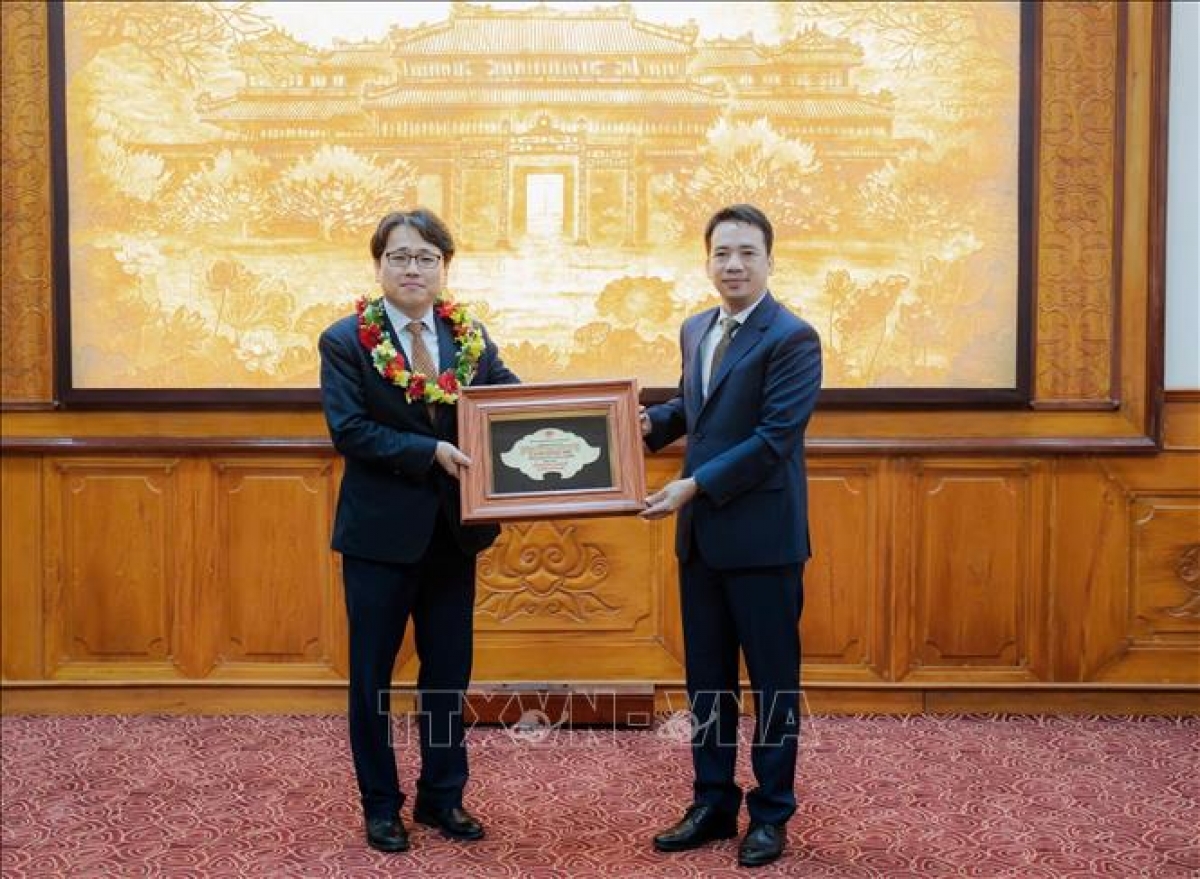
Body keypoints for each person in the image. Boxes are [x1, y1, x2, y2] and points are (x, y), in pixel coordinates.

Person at [318, 208, 519, 853]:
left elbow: (509, 403)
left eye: (426, 257)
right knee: (372, 677)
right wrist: (427, 451)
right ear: (379, 265)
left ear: (443, 267)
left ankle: (442, 797)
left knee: (448, 674)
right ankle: (381, 805)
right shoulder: (346, 340)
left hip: (453, 536)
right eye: (400, 257)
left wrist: (566, 422)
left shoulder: (469, 335)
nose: (413, 268)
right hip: (379, 538)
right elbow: (350, 430)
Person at [640, 204, 822, 868]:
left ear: (770, 260)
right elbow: (698, 406)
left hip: (764, 541)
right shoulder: (697, 328)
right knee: (707, 683)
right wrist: (645, 424)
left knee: (773, 685)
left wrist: (692, 485)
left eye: (747, 252)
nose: (734, 264)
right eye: (722, 253)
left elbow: (773, 439)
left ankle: (771, 813)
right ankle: (713, 802)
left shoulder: (793, 338)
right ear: (707, 261)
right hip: (702, 541)